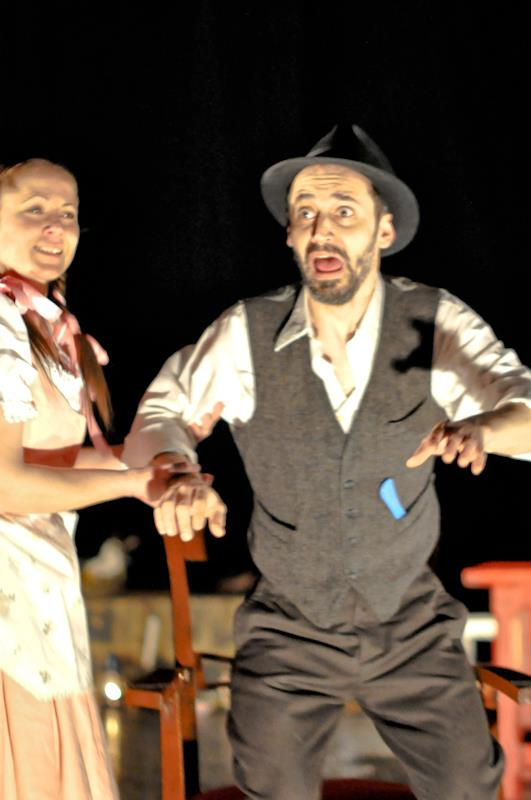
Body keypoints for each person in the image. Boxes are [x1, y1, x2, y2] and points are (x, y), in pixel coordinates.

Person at [123, 125, 531, 800]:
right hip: (289, 624)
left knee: (467, 781)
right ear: (289, 234)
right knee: (270, 779)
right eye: (306, 213)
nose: (322, 229)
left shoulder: (433, 321)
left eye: (344, 211)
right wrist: (178, 471)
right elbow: (163, 411)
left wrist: (484, 427)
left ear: (383, 230)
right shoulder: (246, 332)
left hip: (410, 621)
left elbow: (524, 406)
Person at [0, 158, 187, 800]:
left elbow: (47, 462)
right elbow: (7, 487)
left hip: (37, 583)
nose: (56, 227)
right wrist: (134, 484)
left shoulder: (41, 324)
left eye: (69, 213)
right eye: (34, 209)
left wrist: (159, 461)